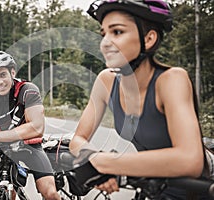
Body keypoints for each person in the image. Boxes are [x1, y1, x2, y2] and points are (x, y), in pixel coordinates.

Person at [69, 0, 209, 199]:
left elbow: (190, 159)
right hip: (151, 190)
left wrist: (105, 163)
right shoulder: (106, 81)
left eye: (116, 32)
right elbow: (78, 139)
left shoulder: (170, 80)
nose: (105, 43)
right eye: (103, 34)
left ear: (149, 39)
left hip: (194, 192)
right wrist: (91, 158)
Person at [0, 50, 60, 200]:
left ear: (12, 73)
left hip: (31, 146)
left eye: (2, 75)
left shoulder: (27, 90)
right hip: (5, 149)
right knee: (6, 190)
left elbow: (36, 127)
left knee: (50, 193)